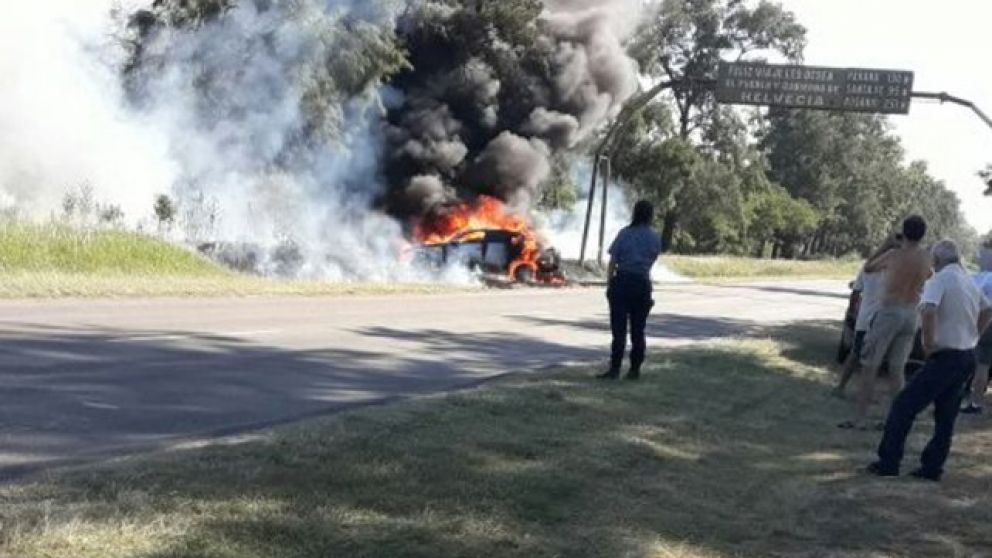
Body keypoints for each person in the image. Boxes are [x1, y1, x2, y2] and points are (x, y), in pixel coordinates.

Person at [868, 240, 992, 480]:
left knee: (903, 406)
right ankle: (932, 467)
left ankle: (889, 462)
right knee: (946, 417)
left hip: (946, 355)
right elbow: (987, 309)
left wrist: (928, 343)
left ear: (937, 260)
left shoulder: (941, 279)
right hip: (966, 355)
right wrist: (974, 333)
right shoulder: (968, 279)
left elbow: (928, 309)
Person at [840, 217, 931, 430]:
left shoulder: (893, 255)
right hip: (912, 314)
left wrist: (887, 245)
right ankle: (895, 419)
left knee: (870, 365)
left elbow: (869, 267)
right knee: (897, 370)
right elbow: (929, 276)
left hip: (890, 311)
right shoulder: (926, 258)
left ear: (905, 233)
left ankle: (860, 419)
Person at [597, 200, 663, 380]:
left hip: (622, 283)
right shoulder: (654, 238)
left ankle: (615, 369)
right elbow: (653, 258)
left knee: (618, 331)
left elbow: (612, 262)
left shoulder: (625, 234)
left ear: (634, 213)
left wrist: (610, 284)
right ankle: (634, 370)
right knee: (638, 330)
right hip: (642, 284)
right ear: (650, 215)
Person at [834, 242, 889, 397]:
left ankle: (841, 387)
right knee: (876, 360)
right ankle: (866, 394)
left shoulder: (867, 268)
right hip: (884, 319)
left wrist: (853, 312)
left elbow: (855, 292)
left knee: (856, 354)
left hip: (865, 318)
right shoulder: (895, 270)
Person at [961, 255, 992, 414]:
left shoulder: (986, 278)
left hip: (987, 322)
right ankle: (976, 400)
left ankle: (974, 401)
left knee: (981, 364)